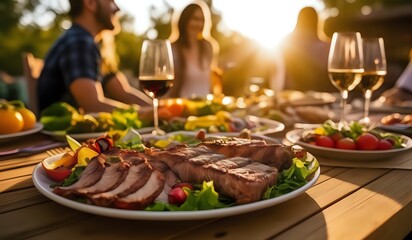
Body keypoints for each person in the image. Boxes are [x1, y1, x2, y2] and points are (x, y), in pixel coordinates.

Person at [37, 0, 152, 113]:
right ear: (90, 3)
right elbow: (93, 106)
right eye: (111, 1)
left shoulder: (91, 44)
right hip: (61, 130)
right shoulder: (78, 42)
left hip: (78, 129)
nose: (117, 8)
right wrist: (146, 114)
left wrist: (157, 109)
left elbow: (124, 93)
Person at [166, 0, 221, 99]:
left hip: (205, 106)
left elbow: (212, 81)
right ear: (184, 20)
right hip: (180, 107)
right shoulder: (171, 48)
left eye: (202, 20)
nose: (199, 24)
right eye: (195, 19)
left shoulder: (208, 46)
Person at [279, 6, 336, 93]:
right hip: (322, 97)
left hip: (292, 95)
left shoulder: (287, 43)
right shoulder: (326, 47)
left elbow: (283, 76)